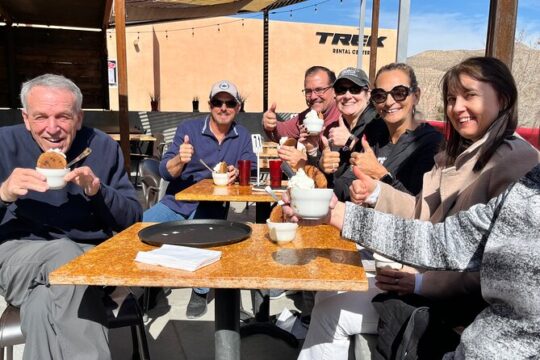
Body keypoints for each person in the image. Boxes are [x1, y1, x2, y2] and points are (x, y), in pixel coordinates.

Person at [314, 162, 540, 359]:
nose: (457, 110)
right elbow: (444, 240)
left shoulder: (513, 160)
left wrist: (421, 283)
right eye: (447, 108)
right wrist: (335, 214)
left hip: (447, 308)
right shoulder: (528, 186)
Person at [298, 63, 443, 359]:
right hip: (373, 246)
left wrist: (381, 177)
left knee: (328, 309)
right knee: (323, 280)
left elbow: (422, 216)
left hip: (405, 266)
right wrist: (361, 190)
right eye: (381, 94)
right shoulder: (376, 136)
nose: (389, 101)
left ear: (415, 95)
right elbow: (350, 185)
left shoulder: (429, 145)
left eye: (399, 92)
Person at [0, 74, 142, 360]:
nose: (52, 129)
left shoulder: (101, 147)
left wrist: (98, 192)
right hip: (18, 257)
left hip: (86, 261)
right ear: (26, 118)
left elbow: (133, 220)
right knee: (65, 253)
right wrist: (3, 193)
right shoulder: (4, 144)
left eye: (63, 117)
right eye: (41, 117)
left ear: (79, 118)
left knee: (42, 304)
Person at [143, 80, 257, 318]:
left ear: (237, 107)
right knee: (138, 230)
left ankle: (200, 290)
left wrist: (237, 172)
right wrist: (180, 159)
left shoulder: (242, 134)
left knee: (209, 237)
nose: (223, 108)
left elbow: (252, 166)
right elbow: (166, 171)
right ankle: (150, 284)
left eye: (229, 103)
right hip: (177, 201)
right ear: (209, 105)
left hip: (213, 204)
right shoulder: (189, 129)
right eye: (218, 102)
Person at [263, 66, 341, 170]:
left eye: (319, 90)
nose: (313, 96)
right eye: (308, 91)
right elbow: (281, 131)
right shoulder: (306, 117)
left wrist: (305, 161)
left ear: (334, 90)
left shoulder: (345, 114)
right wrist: (269, 123)